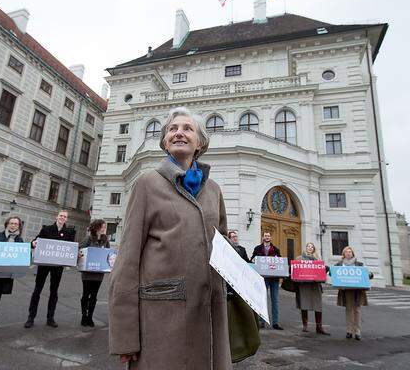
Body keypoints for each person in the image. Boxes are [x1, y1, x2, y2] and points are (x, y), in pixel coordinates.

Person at [109, 107, 231, 369]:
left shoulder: (213, 190)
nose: (179, 133)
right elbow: (127, 261)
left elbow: (224, 253)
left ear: (200, 142)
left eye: (188, 129)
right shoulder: (147, 183)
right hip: (161, 317)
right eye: (173, 129)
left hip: (209, 316)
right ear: (165, 141)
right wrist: (125, 337)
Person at [24, 209, 76, 328]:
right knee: (37, 290)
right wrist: (33, 243)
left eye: (65, 217)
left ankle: (50, 318)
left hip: (58, 266)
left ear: (66, 219)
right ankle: (31, 317)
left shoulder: (69, 232)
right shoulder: (46, 229)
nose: (62, 218)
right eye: (61, 216)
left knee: (54, 291)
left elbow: (71, 248)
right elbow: (36, 240)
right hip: (44, 264)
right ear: (56, 217)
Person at [336, 246, 373, 341]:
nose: (349, 253)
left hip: (357, 290)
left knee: (357, 310)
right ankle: (349, 330)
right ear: (343, 254)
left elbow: (367, 273)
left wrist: (370, 275)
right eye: (347, 252)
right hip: (346, 290)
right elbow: (333, 273)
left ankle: (357, 331)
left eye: (350, 252)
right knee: (348, 310)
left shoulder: (359, 264)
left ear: (353, 253)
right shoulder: (339, 264)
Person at [79, 218, 110, 327]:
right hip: (87, 273)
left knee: (94, 296)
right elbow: (80, 250)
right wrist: (80, 255)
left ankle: (90, 317)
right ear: (97, 227)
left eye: (105, 227)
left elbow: (109, 255)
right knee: (86, 295)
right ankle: (84, 316)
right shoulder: (88, 239)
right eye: (103, 227)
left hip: (98, 274)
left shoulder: (105, 240)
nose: (104, 229)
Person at [250, 232, 283, 330]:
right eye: (265, 236)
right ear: (263, 237)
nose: (267, 237)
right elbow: (252, 259)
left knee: (275, 301)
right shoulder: (257, 249)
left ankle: (275, 323)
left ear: (270, 238)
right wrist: (253, 259)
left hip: (274, 279)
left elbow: (280, 262)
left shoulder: (276, 249)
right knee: (262, 300)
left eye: (268, 236)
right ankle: (261, 321)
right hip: (262, 278)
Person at [295, 242, 329, 335]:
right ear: (305, 248)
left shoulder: (318, 260)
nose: (310, 248)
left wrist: (325, 269)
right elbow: (295, 270)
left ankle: (319, 326)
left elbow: (322, 271)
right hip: (304, 285)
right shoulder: (299, 259)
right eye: (308, 246)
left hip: (315, 285)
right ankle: (305, 325)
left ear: (314, 249)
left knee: (318, 305)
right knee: (304, 304)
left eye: (312, 247)